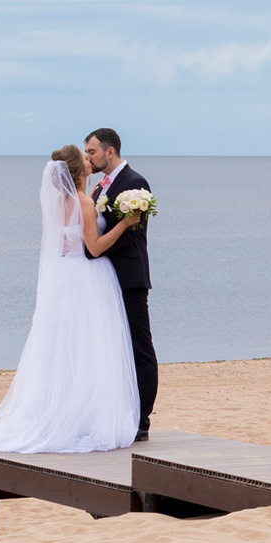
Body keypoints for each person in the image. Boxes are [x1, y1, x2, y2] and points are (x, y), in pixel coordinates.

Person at [0, 146, 141, 454]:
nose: (89, 160)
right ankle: (86, 417)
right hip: (87, 278)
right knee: (90, 348)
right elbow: (94, 248)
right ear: (78, 170)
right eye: (85, 158)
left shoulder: (58, 201)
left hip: (62, 279)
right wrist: (125, 223)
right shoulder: (83, 202)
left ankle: (61, 410)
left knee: (63, 348)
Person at [83, 127, 158, 441]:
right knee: (115, 348)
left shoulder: (134, 184)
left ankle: (142, 418)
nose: (89, 157)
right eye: (87, 152)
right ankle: (119, 411)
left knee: (139, 347)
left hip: (129, 278)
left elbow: (133, 235)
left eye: (92, 152)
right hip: (105, 280)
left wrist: (96, 247)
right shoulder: (99, 190)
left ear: (109, 151)